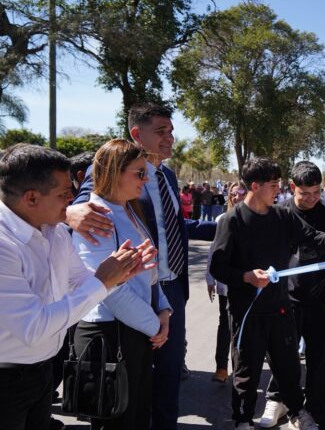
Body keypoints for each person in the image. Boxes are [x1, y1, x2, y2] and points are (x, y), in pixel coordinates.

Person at [67, 103, 217, 430]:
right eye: (161, 131)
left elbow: (174, 228)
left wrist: (225, 225)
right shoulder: (110, 172)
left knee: (165, 379)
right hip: (122, 313)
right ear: (137, 134)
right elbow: (87, 212)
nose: (170, 138)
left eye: (171, 130)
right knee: (124, 396)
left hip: (167, 290)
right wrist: (69, 214)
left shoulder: (167, 175)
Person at [209, 157, 325, 430]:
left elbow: (316, 237)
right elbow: (218, 266)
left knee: (288, 367)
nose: (278, 190)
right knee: (246, 371)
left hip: (281, 308)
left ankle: (297, 412)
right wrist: (247, 277)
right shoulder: (232, 221)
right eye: (274, 184)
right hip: (247, 313)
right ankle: (242, 420)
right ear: (255, 185)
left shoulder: (282, 217)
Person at [0, 143, 154, 430]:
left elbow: (80, 279)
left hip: (42, 372)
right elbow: (34, 327)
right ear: (31, 198)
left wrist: (120, 274)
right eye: (63, 193)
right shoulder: (4, 245)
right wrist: (104, 281)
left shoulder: (54, 231)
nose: (73, 198)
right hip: (8, 382)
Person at [72, 138, 171, 430]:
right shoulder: (97, 215)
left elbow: (149, 271)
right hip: (111, 334)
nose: (146, 179)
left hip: (136, 332)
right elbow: (109, 289)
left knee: (138, 419)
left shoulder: (130, 209)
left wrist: (164, 310)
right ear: (115, 172)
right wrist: (155, 327)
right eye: (139, 173)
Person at [260, 161, 325, 428]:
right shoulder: (279, 212)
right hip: (286, 296)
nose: (311, 199)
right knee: (284, 353)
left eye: (317, 192)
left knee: (318, 355)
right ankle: (277, 398)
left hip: (319, 296)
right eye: (305, 193)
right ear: (292, 187)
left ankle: (313, 405)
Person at [205, 182, 247, 383]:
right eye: (233, 194)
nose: (236, 197)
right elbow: (213, 253)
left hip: (248, 283)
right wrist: (210, 279)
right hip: (225, 283)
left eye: (240, 193)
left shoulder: (254, 219)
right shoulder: (222, 219)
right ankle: (221, 367)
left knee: (243, 325)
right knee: (225, 325)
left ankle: (240, 367)